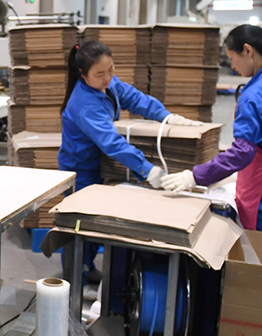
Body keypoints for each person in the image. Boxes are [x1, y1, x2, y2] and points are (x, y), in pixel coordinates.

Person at [58, 41, 202, 278]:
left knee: (96, 223)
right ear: (83, 74)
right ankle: (73, 277)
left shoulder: (108, 85)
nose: (108, 78)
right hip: (80, 169)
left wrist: (166, 116)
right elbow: (111, 142)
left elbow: (136, 99)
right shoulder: (85, 104)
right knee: (80, 225)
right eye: (100, 74)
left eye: (111, 69)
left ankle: (87, 269)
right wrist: (147, 169)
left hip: (101, 165)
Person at [163, 24, 262, 230]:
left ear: (248, 50)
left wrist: (195, 176)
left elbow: (243, 151)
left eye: (232, 58)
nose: (232, 66)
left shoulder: (253, 96)